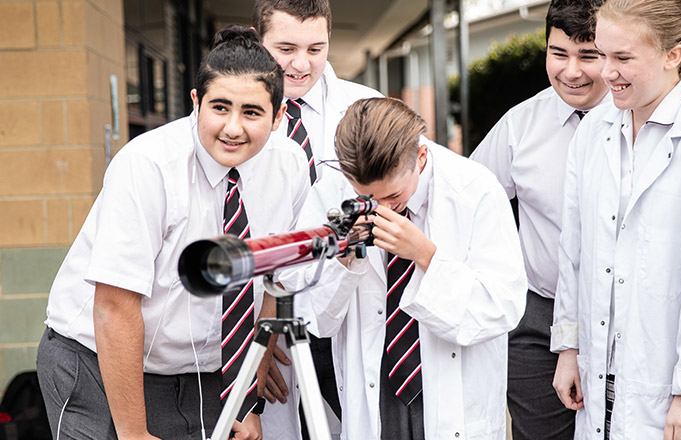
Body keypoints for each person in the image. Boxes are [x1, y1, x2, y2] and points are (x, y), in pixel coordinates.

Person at [36, 25, 310, 440]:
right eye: (220, 107)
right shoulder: (148, 164)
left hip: (195, 369)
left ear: (278, 117)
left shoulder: (289, 166)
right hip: (96, 355)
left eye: (252, 112)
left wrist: (245, 398)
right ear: (196, 103)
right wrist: (133, 434)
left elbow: (270, 283)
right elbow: (114, 305)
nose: (233, 127)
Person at [550, 1, 681, 439]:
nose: (606, 72)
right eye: (602, 53)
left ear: (673, 55)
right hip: (600, 379)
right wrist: (569, 347)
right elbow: (576, 249)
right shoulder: (596, 128)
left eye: (623, 58)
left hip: (678, 390)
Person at [278, 97, 527, 439]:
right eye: (367, 197)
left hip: (452, 385)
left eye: (393, 196)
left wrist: (425, 255)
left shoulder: (476, 189)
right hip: (374, 382)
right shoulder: (331, 190)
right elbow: (312, 315)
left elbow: (502, 308)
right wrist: (344, 262)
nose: (382, 209)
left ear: (420, 157)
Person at [469, 1, 608, 438]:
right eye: (558, 53)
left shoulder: (638, 121)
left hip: (624, 317)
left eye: (589, 56)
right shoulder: (520, 124)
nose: (571, 72)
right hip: (536, 323)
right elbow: (467, 201)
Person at [250, 1, 382, 438]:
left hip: (348, 305)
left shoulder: (367, 107)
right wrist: (258, 340)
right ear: (258, 38)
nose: (301, 64)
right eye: (285, 48)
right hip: (262, 308)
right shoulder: (234, 118)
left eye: (316, 48)